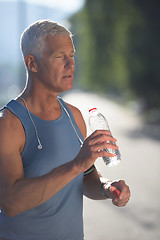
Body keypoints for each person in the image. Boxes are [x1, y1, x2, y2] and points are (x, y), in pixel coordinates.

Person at [0, 20, 130, 240]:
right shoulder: (8, 124)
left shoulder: (74, 116)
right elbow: (11, 203)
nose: (70, 64)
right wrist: (76, 164)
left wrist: (107, 188)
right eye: (60, 57)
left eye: (72, 55)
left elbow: (85, 177)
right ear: (32, 63)